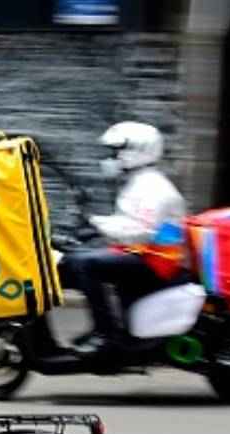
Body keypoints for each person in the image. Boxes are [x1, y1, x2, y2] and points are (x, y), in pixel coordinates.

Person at [62, 122, 187, 358]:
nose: (111, 159)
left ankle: (106, 334)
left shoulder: (154, 187)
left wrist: (98, 224)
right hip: (143, 253)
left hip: (156, 260)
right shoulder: (139, 182)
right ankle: (109, 328)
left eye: (116, 152)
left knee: (85, 264)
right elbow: (127, 222)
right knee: (76, 258)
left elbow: (143, 231)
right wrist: (94, 226)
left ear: (138, 151)